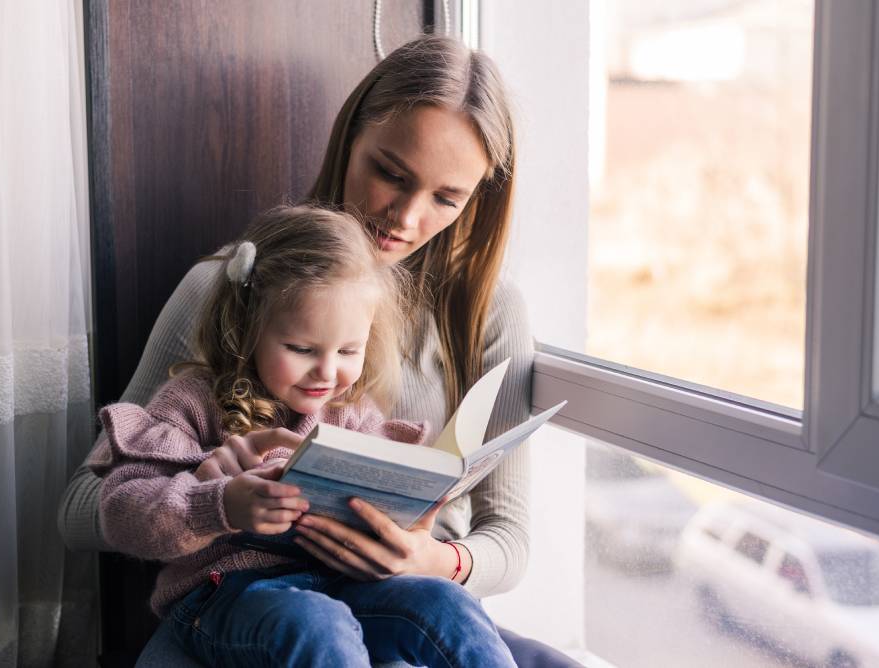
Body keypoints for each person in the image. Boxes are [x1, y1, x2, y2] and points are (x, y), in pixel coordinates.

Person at [58, 35, 577, 666]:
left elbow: (510, 537)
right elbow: (82, 508)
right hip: (253, 597)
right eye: (391, 172)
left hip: (405, 598)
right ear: (348, 137)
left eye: (447, 198)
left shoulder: (490, 312)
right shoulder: (229, 288)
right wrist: (209, 487)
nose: (408, 217)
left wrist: (434, 556)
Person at [88, 205, 517, 667]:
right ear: (247, 327)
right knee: (314, 622)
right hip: (223, 597)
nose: (328, 372)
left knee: (448, 606)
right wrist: (220, 504)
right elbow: (121, 512)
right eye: (301, 349)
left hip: (342, 588)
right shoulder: (192, 402)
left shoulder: (353, 416)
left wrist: (407, 524)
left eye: (349, 350)